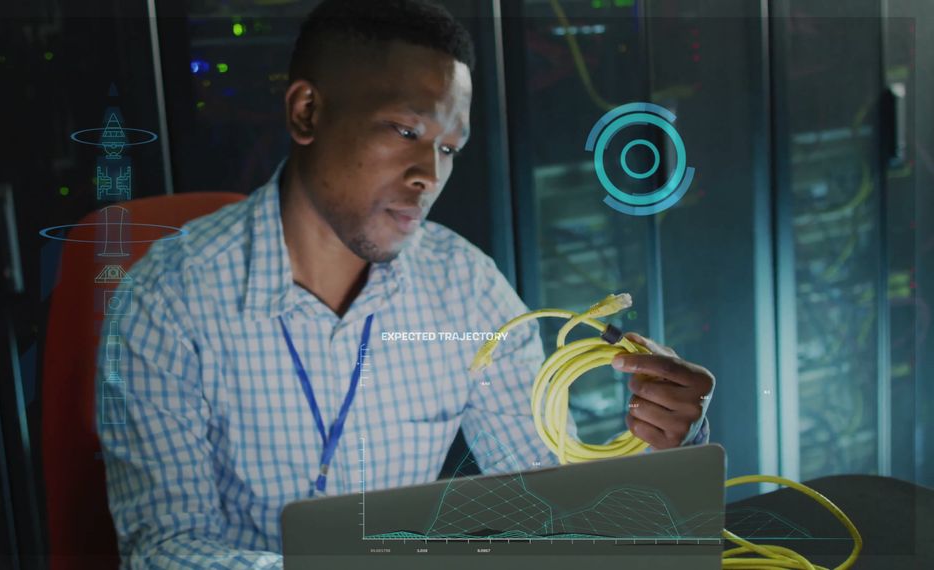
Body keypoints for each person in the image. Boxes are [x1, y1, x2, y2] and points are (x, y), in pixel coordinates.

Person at [97, 1, 715, 568]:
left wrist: (666, 439)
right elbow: (162, 549)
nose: (430, 175)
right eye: (405, 131)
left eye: (449, 148)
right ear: (306, 111)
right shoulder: (166, 300)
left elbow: (548, 497)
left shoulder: (465, 287)